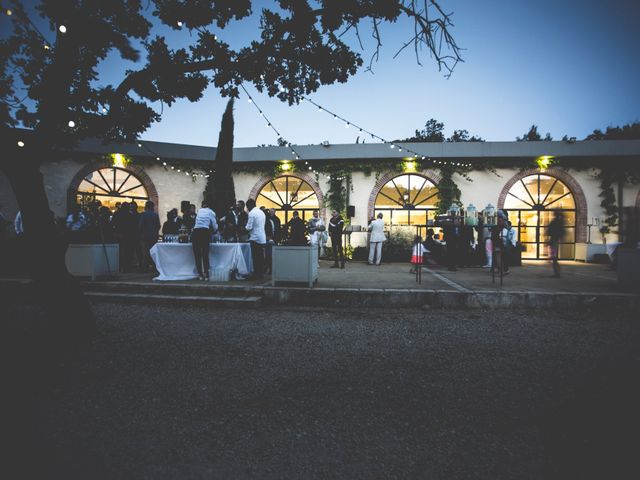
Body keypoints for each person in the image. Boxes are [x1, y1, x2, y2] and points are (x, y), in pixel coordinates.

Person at [192, 200, 218, 281]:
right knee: (205, 254)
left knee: (197, 254)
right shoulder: (211, 212)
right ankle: (206, 274)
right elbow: (214, 226)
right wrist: (216, 228)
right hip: (204, 232)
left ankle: (200, 274)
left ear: (203, 205)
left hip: (195, 232)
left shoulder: (199, 211)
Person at [245, 198, 266, 279]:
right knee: (260, 257)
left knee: (255, 257)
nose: (247, 209)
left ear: (250, 205)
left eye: (247, 207)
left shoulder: (252, 213)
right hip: (262, 237)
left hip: (255, 238)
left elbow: (249, 227)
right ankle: (261, 274)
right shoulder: (261, 212)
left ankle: (256, 274)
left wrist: (243, 228)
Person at [139, 200, 161, 273]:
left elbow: (140, 225)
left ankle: (145, 268)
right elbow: (158, 226)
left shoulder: (143, 214)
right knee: (154, 252)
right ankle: (155, 267)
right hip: (154, 236)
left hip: (145, 236)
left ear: (146, 206)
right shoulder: (155, 215)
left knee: (145, 252)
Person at [548, 210, 564, 278]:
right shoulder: (560, 222)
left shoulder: (555, 222)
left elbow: (549, 231)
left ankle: (557, 273)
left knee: (554, 258)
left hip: (554, 240)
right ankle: (557, 272)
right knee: (554, 258)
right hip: (555, 240)